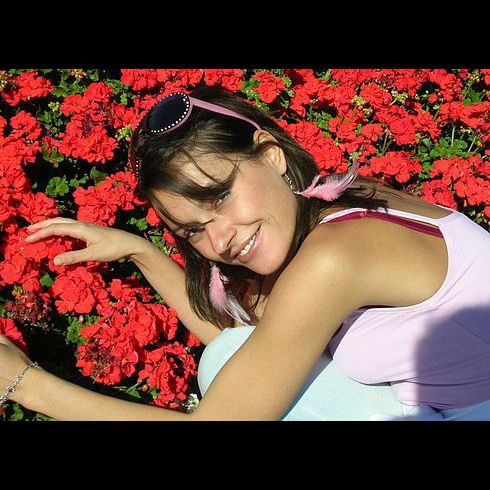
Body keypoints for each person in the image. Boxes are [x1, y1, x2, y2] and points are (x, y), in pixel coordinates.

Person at [1, 86, 489, 421]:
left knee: (229, 364)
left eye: (219, 196)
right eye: (193, 230)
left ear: (270, 154)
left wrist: (24, 384)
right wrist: (138, 252)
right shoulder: (345, 202)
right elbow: (246, 346)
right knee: (230, 355)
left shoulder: (335, 257)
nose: (219, 241)